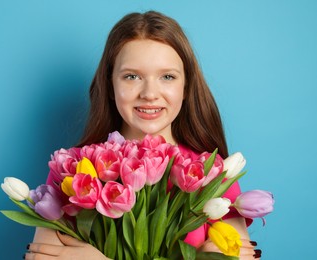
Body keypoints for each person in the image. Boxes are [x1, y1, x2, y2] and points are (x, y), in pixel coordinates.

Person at [24, 10, 261, 260]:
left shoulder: (213, 175)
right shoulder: (72, 171)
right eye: (132, 76)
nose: (149, 93)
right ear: (111, 86)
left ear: (185, 87)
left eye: (167, 77)